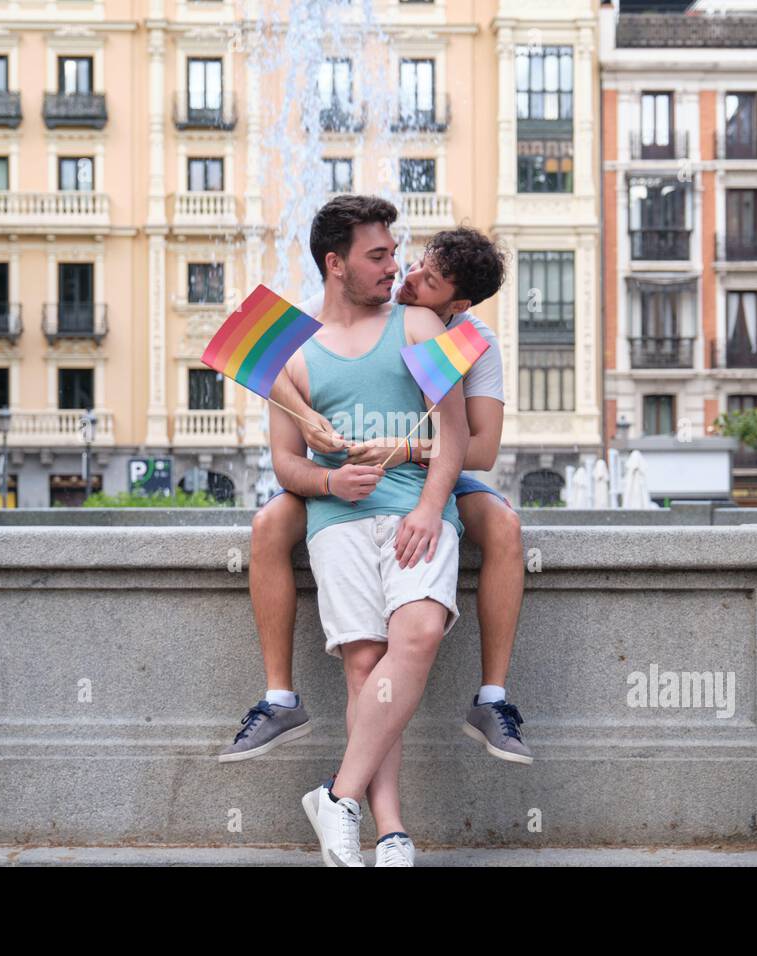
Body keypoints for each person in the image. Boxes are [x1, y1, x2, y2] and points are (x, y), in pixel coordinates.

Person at [218, 220, 531, 773]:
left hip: (434, 467)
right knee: (268, 525)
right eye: (415, 264)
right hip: (344, 474)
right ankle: (278, 700)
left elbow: (478, 450)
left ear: (456, 302)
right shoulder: (371, 313)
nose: (408, 278)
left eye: (428, 281)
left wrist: (405, 453)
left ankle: (492, 698)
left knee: (504, 526)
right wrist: (305, 413)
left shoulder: (471, 341)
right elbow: (247, 348)